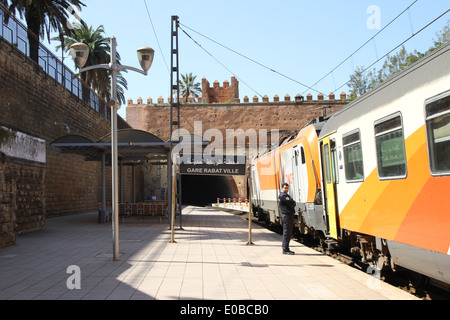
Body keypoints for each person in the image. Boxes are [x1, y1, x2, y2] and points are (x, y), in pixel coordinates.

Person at [278, 183, 296, 255]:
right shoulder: (284, 196)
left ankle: (286, 248)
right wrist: (293, 203)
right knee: (287, 232)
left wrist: (292, 203)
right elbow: (292, 203)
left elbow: (292, 203)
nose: (286, 189)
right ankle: (285, 249)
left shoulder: (283, 195)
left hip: (287, 215)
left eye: (287, 188)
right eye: (285, 188)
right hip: (287, 216)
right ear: (282, 188)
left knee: (287, 232)